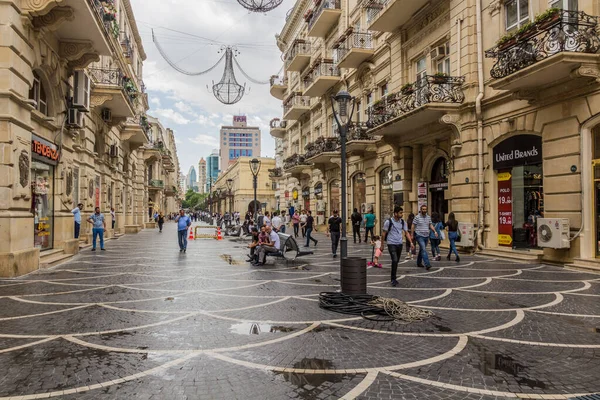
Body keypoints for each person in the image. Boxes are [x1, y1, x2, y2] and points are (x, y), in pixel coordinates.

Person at [383, 206, 414, 286]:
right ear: (395, 213)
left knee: (396, 261)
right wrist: (382, 244)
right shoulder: (388, 222)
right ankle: (393, 279)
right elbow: (383, 234)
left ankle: (394, 277)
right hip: (391, 243)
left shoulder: (403, 222)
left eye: (402, 212)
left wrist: (411, 242)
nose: (402, 214)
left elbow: (406, 232)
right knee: (395, 260)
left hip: (399, 244)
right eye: (400, 213)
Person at [411, 205, 438, 270]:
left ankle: (418, 262)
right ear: (421, 210)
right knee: (423, 249)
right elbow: (413, 225)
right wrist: (412, 234)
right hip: (419, 235)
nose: (424, 211)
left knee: (422, 249)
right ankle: (427, 264)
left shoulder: (428, 217)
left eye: (425, 209)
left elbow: (430, 225)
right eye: (423, 209)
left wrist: (435, 231)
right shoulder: (417, 217)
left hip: (426, 236)